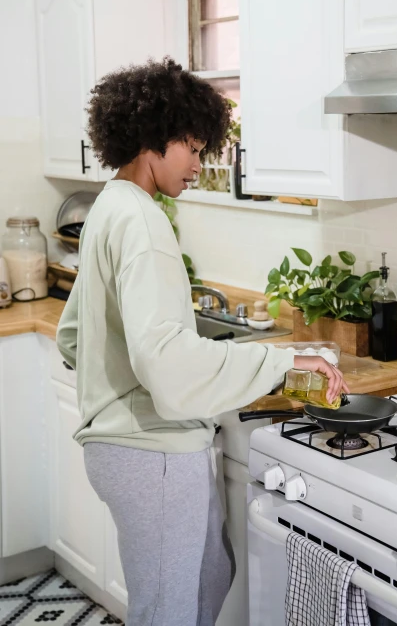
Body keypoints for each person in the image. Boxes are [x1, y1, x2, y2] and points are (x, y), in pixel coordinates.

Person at [56, 57, 349, 626]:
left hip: (125, 451)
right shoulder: (143, 223)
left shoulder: (109, 207)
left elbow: (74, 336)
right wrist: (284, 359)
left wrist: (117, 370)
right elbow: (169, 364)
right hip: (151, 454)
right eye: (191, 146)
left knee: (209, 579)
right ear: (152, 140)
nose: (199, 163)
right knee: (168, 612)